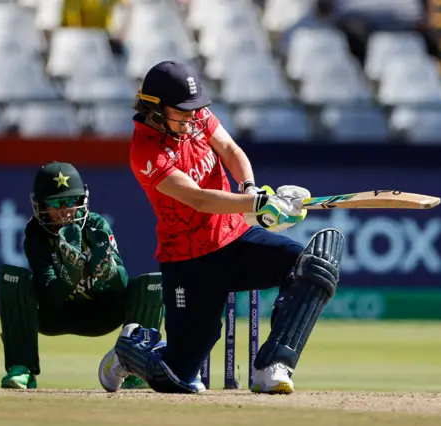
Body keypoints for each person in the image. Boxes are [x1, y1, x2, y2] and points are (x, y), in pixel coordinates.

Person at [97, 61, 345, 394]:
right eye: (182, 111)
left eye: (195, 110)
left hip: (235, 239)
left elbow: (230, 149)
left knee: (310, 268)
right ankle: (132, 349)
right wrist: (258, 206)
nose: (192, 117)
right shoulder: (145, 152)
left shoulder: (197, 119)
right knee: (176, 378)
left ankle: (272, 366)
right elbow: (197, 199)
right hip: (189, 262)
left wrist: (251, 189)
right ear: (154, 108)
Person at [0, 161, 164, 389]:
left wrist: (110, 271)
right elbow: (48, 296)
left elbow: (123, 283)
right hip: (54, 314)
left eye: (70, 201)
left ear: (82, 200)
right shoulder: (36, 233)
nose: (64, 210)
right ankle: (21, 369)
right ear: (41, 206)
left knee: (151, 285)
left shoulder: (96, 224)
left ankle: (137, 371)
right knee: (13, 280)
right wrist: (70, 274)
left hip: (101, 314)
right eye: (55, 203)